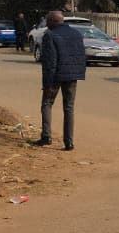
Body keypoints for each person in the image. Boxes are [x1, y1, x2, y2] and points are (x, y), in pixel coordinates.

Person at [32, 11, 86, 150]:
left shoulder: (50, 35)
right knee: (69, 108)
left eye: (47, 21)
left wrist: (48, 84)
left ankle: (46, 136)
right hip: (72, 76)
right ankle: (69, 142)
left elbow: (50, 62)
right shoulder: (76, 34)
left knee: (47, 103)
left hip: (56, 76)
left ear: (52, 21)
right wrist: (78, 73)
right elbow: (81, 56)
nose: (46, 24)